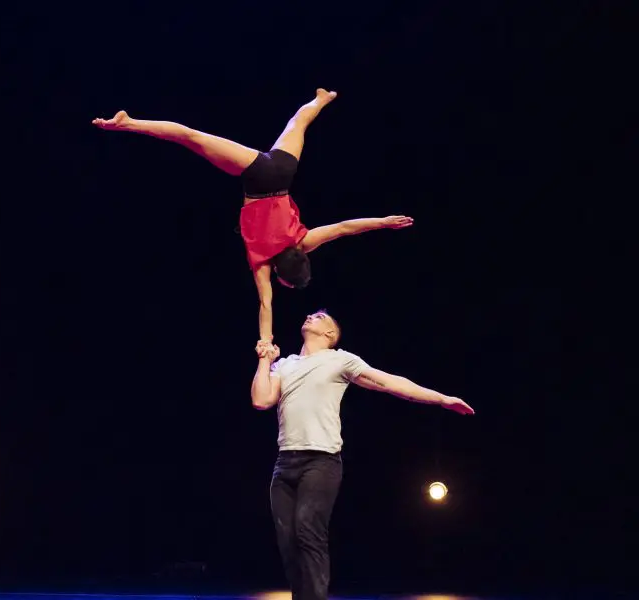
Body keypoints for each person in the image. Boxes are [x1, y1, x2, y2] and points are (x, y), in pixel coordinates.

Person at [92, 90, 414, 348]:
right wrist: (266, 340)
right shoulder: (263, 263)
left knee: (297, 125)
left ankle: (320, 99)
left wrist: (384, 221)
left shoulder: (304, 242)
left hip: (282, 174)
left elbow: (344, 228)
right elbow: (266, 305)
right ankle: (128, 123)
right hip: (258, 179)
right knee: (191, 137)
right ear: (280, 272)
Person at [250, 310, 474, 600]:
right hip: (285, 463)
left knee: (308, 529)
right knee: (287, 542)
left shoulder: (340, 359)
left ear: (330, 334)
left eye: (318, 317)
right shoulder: (286, 364)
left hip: (321, 461)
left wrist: (442, 399)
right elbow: (261, 399)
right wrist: (265, 359)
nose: (309, 315)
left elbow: (391, 383)